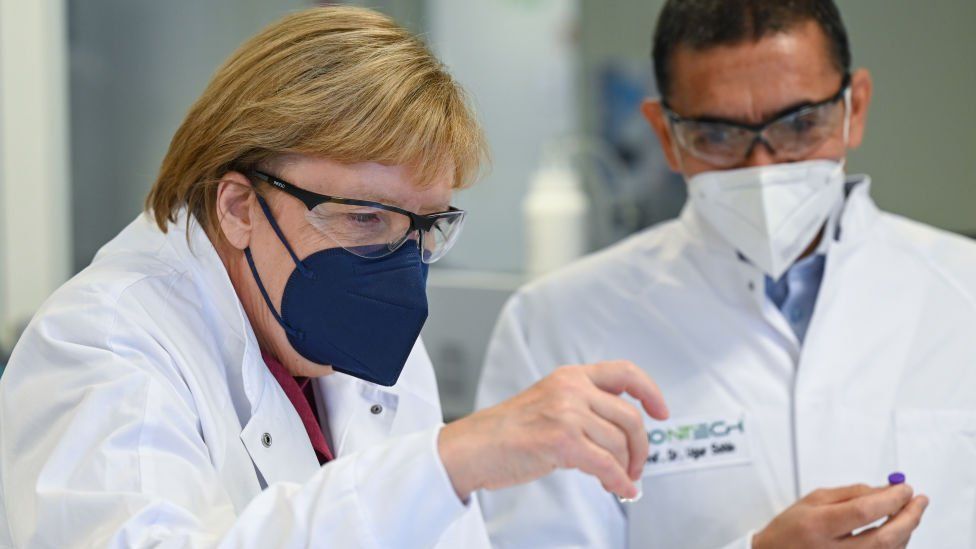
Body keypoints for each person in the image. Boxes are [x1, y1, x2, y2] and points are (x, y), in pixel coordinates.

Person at [0, 7, 669, 547]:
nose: (401, 261)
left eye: (426, 225)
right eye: (366, 217)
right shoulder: (104, 347)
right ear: (238, 207)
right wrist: (450, 461)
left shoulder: (355, 345)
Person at [477, 1, 976, 547]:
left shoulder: (962, 290)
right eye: (717, 135)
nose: (762, 169)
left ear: (854, 107)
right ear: (665, 134)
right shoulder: (556, 324)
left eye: (801, 125)